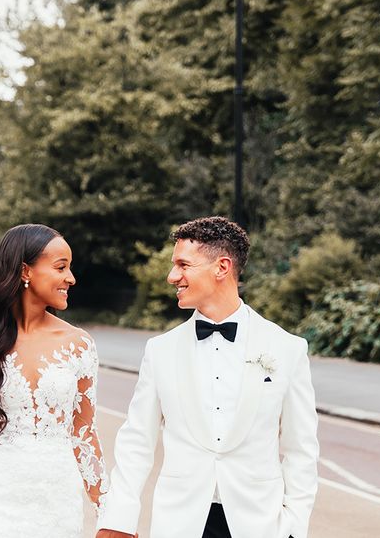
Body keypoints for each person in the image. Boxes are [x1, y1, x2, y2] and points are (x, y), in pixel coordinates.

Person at [97, 216, 319, 538]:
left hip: (259, 524)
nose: (173, 276)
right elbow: (137, 441)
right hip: (181, 523)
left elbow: (301, 449)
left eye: (183, 265)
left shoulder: (287, 349)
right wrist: (118, 519)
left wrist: (294, 527)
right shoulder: (160, 350)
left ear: (221, 267)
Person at [0, 223, 108, 537]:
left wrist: (109, 512)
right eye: (61, 267)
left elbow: (84, 434)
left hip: (58, 502)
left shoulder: (78, 345)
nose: (71, 278)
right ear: (25, 271)